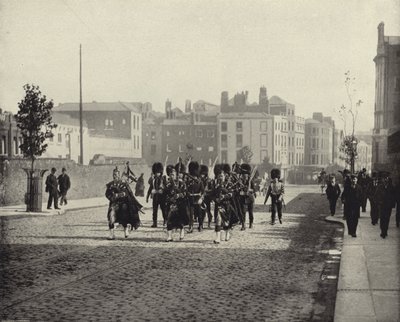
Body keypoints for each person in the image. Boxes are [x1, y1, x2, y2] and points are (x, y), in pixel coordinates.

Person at [105, 167, 142, 240]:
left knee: (124, 214)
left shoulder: (124, 183)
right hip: (114, 203)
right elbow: (107, 194)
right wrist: (112, 197)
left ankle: (126, 230)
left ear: (119, 175)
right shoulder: (110, 185)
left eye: (116, 174)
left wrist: (121, 194)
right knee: (111, 214)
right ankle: (112, 234)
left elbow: (128, 194)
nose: (115, 176)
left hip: (123, 203)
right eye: (114, 175)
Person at [213, 166, 239, 244]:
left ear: (225, 176)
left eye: (222, 176)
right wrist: (215, 199)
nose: (220, 177)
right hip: (218, 205)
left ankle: (227, 233)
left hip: (226, 205)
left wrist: (224, 196)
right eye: (219, 176)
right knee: (218, 219)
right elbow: (212, 194)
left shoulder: (229, 184)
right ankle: (217, 238)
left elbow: (231, 194)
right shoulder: (215, 184)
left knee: (226, 222)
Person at [165, 165, 189, 242]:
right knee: (169, 219)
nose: (172, 176)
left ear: (176, 175)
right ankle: (169, 236)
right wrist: (170, 199)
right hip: (171, 204)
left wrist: (179, 195)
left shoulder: (181, 183)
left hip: (180, 203)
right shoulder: (168, 184)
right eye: (171, 174)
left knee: (180, 220)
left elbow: (185, 193)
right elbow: (165, 194)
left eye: (173, 174)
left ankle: (182, 232)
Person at [186, 161, 205, 232]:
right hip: (191, 199)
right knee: (191, 214)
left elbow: (203, 191)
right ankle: (191, 227)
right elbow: (186, 189)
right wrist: (188, 194)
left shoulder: (200, 181)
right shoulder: (188, 181)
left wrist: (201, 198)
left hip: (197, 199)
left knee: (199, 213)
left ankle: (200, 225)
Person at [146, 162, 166, 227]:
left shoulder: (163, 179)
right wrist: (147, 196)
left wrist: (163, 190)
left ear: (161, 172)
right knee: (154, 211)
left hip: (162, 197)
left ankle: (165, 221)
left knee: (163, 210)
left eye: (158, 172)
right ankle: (155, 223)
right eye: (156, 172)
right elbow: (150, 188)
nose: (157, 174)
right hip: (155, 197)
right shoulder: (153, 179)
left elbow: (166, 187)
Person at [377, 172, 396, 238]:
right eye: (384, 178)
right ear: (382, 179)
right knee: (382, 218)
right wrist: (379, 202)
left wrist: (393, 204)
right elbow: (377, 195)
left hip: (388, 205)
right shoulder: (380, 187)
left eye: (386, 178)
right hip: (382, 205)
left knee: (387, 218)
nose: (385, 179)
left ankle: (385, 231)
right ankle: (383, 231)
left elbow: (394, 196)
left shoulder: (391, 187)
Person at [239, 163, 256, 229]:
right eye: (243, 174)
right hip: (242, 198)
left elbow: (254, 189)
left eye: (245, 174)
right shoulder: (240, 181)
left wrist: (249, 190)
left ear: (247, 174)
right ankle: (243, 225)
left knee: (250, 212)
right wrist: (241, 191)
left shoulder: (250, 180)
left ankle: (251, 223)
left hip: (250, 198)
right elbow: (238, 189)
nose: (244, 176)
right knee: (243, 212)